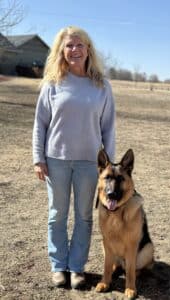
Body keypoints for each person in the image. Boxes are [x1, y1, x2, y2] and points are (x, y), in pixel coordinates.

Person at [32, 25, 115, 289]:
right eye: (69, 46)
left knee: (83, 217)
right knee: (57, 215)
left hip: (90, 164)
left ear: (88, 50)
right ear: (61, 51)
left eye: (79, 45)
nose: (74, 50)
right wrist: (38, 158)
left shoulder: (101, 86)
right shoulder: (52, 84)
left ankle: (77, 268)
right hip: (55, 160)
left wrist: (109, 168)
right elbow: (40, 124)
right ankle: (59, 266)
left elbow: (108, 128)